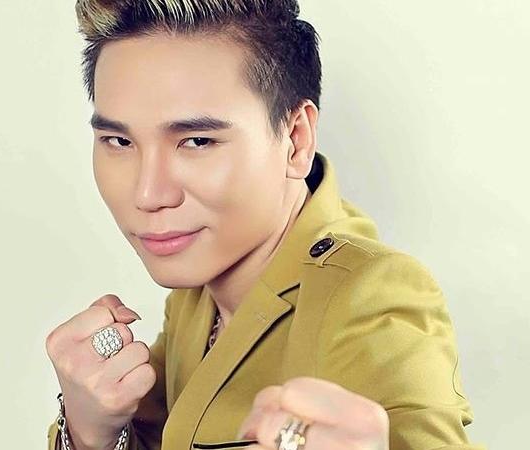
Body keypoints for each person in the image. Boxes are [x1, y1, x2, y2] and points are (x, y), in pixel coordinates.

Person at [45, 1, 485, 449]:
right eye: (119, 141)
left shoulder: (373, 296)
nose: (148, 194)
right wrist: (88, 432)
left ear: (296, 139)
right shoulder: (198, 288)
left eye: (197, 141)